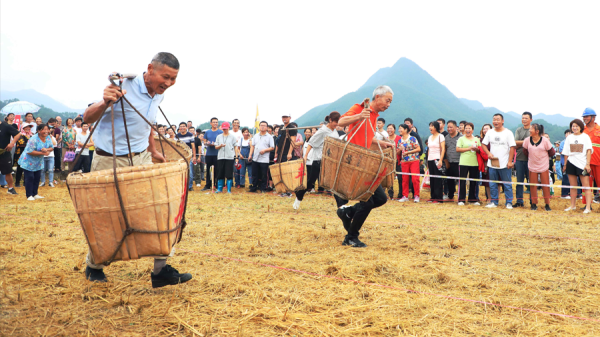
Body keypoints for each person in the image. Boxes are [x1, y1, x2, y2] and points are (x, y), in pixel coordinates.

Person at [82, 52, 192, 287]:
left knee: (159, 211)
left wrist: (153, 151)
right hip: (108, 160)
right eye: (165, 77)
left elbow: (146, 123)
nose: (169, 83)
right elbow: (87, 118)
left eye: (173, 79)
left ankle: (161, 271)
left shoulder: (157, 94)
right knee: (106, 217)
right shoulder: (123, 85)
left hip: (141, 159)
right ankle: (94, 266)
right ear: (150, 69)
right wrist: (104, 102)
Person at [335, 85, 394, 248]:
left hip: (365, 161)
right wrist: (360, 115)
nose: (388, 104)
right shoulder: (359, 108)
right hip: (354, 160)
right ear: (377, 97)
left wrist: (381, 142)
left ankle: (349, 212)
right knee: (367, 201)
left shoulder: (374, 116)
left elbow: (366, 135)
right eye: (387, 100)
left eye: (390, 102)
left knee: (381, 198)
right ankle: (351, 237)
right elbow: (341, 122)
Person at [293, 112, 339, 209]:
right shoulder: (322, 131)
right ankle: (298, 196)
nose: (337, 124)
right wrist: (305, 155)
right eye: (336, 122)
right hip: (319, 160)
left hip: (330, 161)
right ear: (330, 120)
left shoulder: (334, 131)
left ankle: (341, 205)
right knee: (311, 182)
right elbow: (311, 143)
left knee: (333, 182)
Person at [481, 114, 516, 209]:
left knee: (507, 184)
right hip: (492, 163)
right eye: (494, 119)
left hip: (504, 163)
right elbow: (483, 144)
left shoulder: (508, 133)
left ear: (502, 121)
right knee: (492, 183)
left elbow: (512, 147)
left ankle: (509, 202)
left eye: (498, 119)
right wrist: (488, 153)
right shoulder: (490, 132)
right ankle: (494, 202)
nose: (496, 121)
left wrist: (510, 161)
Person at [562, 119, 594, 213]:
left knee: (586, 186)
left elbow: (589, 151)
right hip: (571, 163)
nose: (574, 128)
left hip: (582, 164)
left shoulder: (585, 137)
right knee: (573, 186)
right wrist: (565, 164)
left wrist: (587, 164)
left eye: (576, 126)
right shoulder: (569, 137)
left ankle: (588, 207)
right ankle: (572, 206)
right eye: (573, 126)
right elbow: (566, 152)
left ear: (581, 127)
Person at [522, 123, 554, 211]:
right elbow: (525, 151)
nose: (529, 130)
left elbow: (552, 152)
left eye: (531, 129)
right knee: (532, 186)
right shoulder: (527, 140)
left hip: (543, 166)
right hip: (532, 166)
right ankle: (533, 203)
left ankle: (547, 204)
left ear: (537, 131)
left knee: (545, 185)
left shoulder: (545, 141)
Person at [18, 123, 53, 200]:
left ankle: (35, 194)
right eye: (44, 129)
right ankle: (29, 195)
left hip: (38, 161)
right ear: (39, 131)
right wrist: (43, 153)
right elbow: (29, 151)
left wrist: (46, 150)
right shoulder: (33, 139)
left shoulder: (48, 138)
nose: (46, 131)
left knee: (37, 177)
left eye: (47, 129)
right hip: (28, 161)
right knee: (30, 177)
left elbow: (51, 147)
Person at [456, 122, 481, 205]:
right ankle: (461, 199)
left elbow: (480, 150)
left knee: (473, 181)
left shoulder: (476, 139)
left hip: (474, 162)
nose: (467, 130)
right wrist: (469, 148)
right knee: (462, 181)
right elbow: (458, 149)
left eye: (469, 128)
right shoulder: (461, 139)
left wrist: (476, 149)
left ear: (472, 130)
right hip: (463, 162)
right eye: (466, 128)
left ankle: (472, 199)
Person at [397, 124, 421, 203]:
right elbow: (398, 152)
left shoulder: (412, 138)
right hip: (404, 162)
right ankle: (405, 195)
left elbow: (418, 148)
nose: (399, 130)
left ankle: (416, 195)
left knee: (415, 178)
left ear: (406, 130)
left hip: (414, 160)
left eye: (401, 129)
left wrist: (408, 152)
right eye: (399, 129)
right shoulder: (400, 141)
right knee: (405, 179)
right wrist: (400, 150)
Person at [249, 121, 274, 193]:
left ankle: (263, 188)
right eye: (261, 125)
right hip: (255, 158)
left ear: (267, 127)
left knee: (264, 175)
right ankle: (254, 187)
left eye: (264, 125)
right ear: (259, 127)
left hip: (264, 159)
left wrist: (265, 150)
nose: (262, 127)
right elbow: (252, 146)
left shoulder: (269, 137)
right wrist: (250, 155)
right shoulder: (256, 135)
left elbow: (272, 147)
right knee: (255, 174)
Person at [581, 107, 600, 207]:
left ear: (593, 117)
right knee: (586, 185)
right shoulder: (581, 130)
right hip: (585, 163)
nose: (585, 118)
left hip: (598, 162)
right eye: (584, 117)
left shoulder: (599, 130)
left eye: (587, 116)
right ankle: (587, 204)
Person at [514, 112, 533, 207]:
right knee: (519, 181)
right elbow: (515, 142)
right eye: (523, 118)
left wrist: (520, 143)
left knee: (531, 181)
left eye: (526, 118)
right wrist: (526, 141)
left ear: (531, 120)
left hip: (531, 159)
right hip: (519, 158)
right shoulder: (518, 130)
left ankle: (532, 201)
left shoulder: (534, 129)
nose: (524, 120)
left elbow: (533, 141)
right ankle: (519, 201)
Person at [0, 116, 22, 195]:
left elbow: (18, 134)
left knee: (8, 171)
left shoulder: (5, 126)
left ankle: (10, 188)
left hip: (4, 152)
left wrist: (12, 143)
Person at [214, 121, 238, 193]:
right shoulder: (219, 136)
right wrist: (220, 145)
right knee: (220, 173)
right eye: (223, 129)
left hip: (229, 157)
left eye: (226, 129)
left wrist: (236, 157)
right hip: (220, 157)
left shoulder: (232, 137)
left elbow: (235, 147)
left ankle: (228, 189)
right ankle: (220, 188)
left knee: (229, 173)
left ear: (229, 128)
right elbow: (216, 147)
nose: (225, 130)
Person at [426, 121, 446, 203]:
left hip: (437, 159)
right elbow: (429, 149)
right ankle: (433, 196)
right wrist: (427, 160)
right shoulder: (430, 137)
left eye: (432, 126)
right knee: (432, 178)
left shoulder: (440, 136)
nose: (430, 128)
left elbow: (443, 149)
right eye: (430, 126)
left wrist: (441, 160)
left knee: (438, 178)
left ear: (436, 127)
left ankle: (439, 198)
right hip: (430, 159)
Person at [175, 122, 196, 191]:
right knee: (180, 171)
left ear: (186, 127)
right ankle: (181, 186)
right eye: (181, 126)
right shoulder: (177, 136)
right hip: (179, 157)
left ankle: (189, 186)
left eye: (184, 126)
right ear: (179, 128)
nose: (182, 127)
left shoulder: (190, 135)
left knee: (190, 172)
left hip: (189, 156)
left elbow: (193, 146)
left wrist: (194, 156)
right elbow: (175, 146)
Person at [444, 120, 462, 201]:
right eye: (448, 127)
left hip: (459, 162)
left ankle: (461, 197)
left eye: (451, 127)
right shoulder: (446, 137)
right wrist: (446, 161)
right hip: (449, 162)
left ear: (456, 127)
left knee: (460, 181)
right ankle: (450, 196)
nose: (449, 129)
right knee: (449, 180)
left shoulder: (461, 137)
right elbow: (445, 149)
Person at [202, 117, 222, 191]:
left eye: (216, 122)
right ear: (210, 123)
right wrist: (207, 143)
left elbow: (222, 142)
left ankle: (217, 185)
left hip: (217, 153)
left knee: (217, 170)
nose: (215, 123)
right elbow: (204, 141)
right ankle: (208, 185)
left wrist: (216, 144)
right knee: (208, 170)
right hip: (209, 153)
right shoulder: (207, 132)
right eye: (213, 122)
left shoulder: (220, 132)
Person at [14, 123, 34, 187]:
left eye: (29, 127)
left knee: (28, 168)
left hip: (30, 154)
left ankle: (26, 182)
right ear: (22, 128)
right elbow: (22, 143)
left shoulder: (31, 135)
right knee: (20, 168)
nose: (28, 128)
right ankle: (17, 182)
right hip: (21, 153)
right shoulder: (20, 135)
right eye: (26, 127)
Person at [385, 123, 400, 199]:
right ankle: (390, 194)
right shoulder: (386, 139)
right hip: (388, 161)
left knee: (400, 178)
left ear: (394, 129)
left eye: (391, 128)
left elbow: (400, 149)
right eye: (388, 128)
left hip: (398, 161)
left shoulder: (399, 138)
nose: (389, 130)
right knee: (388, 178)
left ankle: (401, 194)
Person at [230, 119, 243, 187]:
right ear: (232, 124)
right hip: (230, 152)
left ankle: (237, 183)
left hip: (238, 153)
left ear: (239, 124)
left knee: (237, 169)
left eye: (237, 123)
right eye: (234, 123)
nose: (236, 124)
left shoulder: (241, 133)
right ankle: (230, 183)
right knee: (229, 169)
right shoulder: (229, 132)